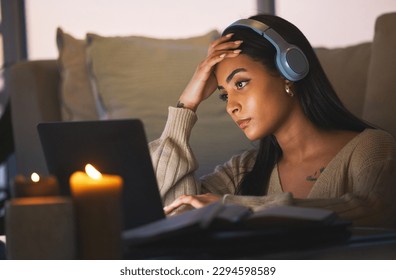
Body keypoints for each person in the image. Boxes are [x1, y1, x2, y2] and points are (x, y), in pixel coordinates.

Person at [149, 14, 396, 228]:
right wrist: (187, 105)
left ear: (289, 72)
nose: (231, 106)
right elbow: (172, 212)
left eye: (241, 83)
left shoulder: (371, 146)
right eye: (224, 95)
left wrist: (240, 208)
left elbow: (375, 211)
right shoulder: (242, 169)